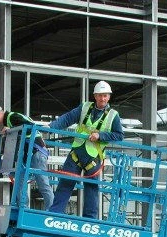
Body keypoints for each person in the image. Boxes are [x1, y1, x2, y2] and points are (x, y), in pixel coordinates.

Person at [47, 80, 124, 219]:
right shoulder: (84, 108)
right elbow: (68, 118)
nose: (102, 98)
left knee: (92, 189)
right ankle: (54, 215)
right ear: (95, 96)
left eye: (105, 95)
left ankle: (90, 220)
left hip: (94, 157)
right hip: (76, 153)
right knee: (65, 182)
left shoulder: (113, 115)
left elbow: (119, 135)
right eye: (100, 95)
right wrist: (51, 127)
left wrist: (100, 135)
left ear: (109, 97)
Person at [0, 101, 54, 210]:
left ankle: (52, 211)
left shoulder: (12, 117)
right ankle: (23, 209)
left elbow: (30, 126)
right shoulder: (10, 120)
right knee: (19, 181)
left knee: (42, 183)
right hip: (29, 154)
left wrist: (10, 130)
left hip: (37, 152)